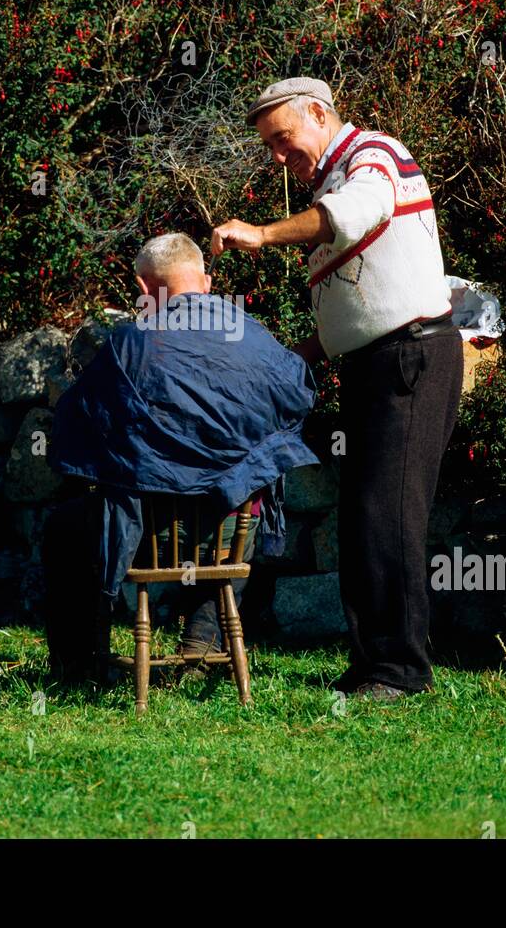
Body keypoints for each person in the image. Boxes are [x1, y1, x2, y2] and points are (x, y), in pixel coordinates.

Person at [211, 77, 464, 699]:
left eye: (284, 138)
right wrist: (295, 356)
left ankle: (402, 672)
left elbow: (357, 216)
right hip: (376, 360)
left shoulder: (371, 154)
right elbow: (362, 304)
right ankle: (373, 661)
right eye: (270, 145)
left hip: (410, 357)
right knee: (362, 516)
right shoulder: (333, 178)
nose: (278, 155)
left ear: (320, 114)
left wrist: (262, 233)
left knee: (390, 514)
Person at [43, 232, 319, 681]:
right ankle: (203, 643)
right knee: (246, 497)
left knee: (64, 528)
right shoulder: (254, 338)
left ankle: (80, 666)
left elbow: (73, 427)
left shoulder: (129, 344)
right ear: (206, 283)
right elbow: (297, 398)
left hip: (150, 530)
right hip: (230, 526)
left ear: (143, 287)